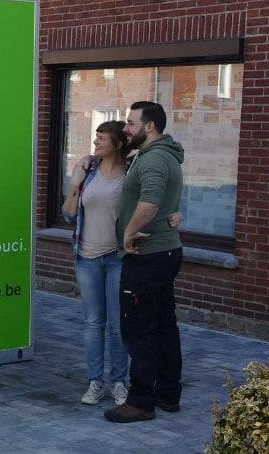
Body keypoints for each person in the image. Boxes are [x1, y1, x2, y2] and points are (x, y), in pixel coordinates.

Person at [63, 120, 181, 407]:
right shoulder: (88, 170)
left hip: (118, 258)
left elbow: (157, 198)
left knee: (119, 324)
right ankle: (95, 382)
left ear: (117, 143)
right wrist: (75, 184)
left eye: (102, 138)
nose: (96, 143)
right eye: (95, 138)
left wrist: (176, 214)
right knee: (93, 322)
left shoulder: (133, 171)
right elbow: (68, 214)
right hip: (87, 257)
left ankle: (119, 382)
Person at [104, 101, 184, 424]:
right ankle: (168, 394)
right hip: (164, 253)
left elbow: (150, 201)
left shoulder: (153, 159)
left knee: (139, 328)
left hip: (147, 256)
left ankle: (140, 402)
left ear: (149, 127)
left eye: (131, 123)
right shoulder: (165, 155)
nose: (126, 128)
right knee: (164, 325)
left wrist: (129, 232)